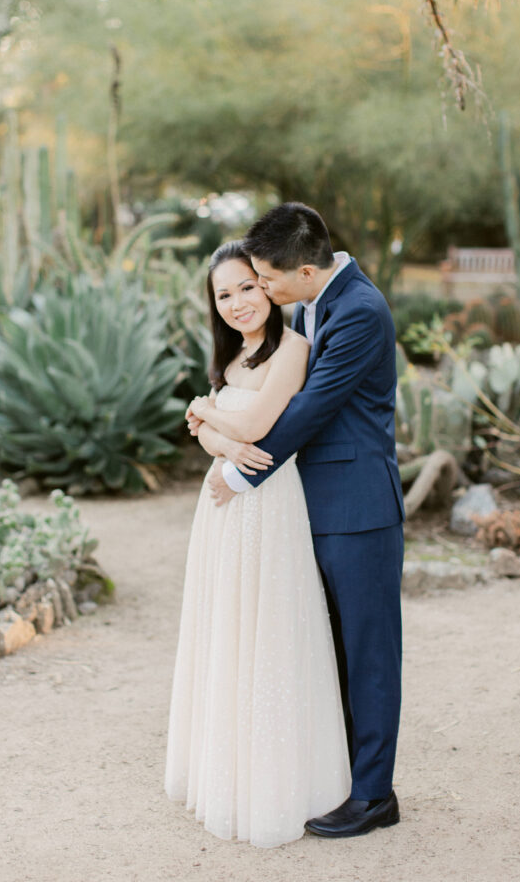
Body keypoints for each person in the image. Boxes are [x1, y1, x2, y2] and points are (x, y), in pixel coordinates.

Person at [198, 203, 405, 839]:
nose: (260, 288)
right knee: (327, 649)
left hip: (358, 508)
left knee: (369, 653)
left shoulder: (361, 312)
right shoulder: (318, 302)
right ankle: (340, 774)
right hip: (312, 504)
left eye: (266, 278)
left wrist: (238, 471)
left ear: (305, 270)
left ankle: (374, 796)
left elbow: (312, 410)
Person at [164, 240, 351, 848]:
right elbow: (216, 436)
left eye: (247, 287)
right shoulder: (232, 356)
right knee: (226, 630)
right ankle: (227, 772)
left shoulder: (292, 349)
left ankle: (274, 783)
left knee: (266, 631)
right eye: (224, 294)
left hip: (268, 507)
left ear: (267, 286)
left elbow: (256, 428)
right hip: (222, 510)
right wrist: (213, 436)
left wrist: (206, 417)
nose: (239, 302)